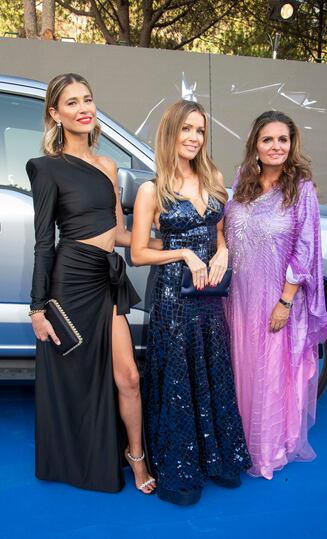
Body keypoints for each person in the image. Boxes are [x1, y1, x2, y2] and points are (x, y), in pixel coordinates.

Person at [26, 73, 157, 494]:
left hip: (107, 276)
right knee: (76, 375)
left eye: (88, 99)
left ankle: (134, 456)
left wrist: (166, 241)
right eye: (72, 103)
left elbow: (118, 233)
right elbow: (44, 242)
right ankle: (79, 457)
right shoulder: (45, 168)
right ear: (55, 114)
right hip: (70, 281)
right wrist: (37, 308)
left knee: (129, 377)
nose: (84, 108)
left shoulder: (108, 165)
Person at [131, 100, 251, 506]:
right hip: (173, 295)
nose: (194, 138)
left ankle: (216, 458)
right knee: (179, 377)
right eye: (186, 129)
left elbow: (219, 231)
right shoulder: (153, 189)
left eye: (199, 130)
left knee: (212, 367)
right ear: (171, 133)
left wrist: (222, 251)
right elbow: (138, 253)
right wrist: (181, 253)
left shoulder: (213, 176)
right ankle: (179, 468)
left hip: (211, 293)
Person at [224, 110, 327, 480]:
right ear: (255, 143)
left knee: (269, 373)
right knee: (241, 369)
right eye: (268, 139)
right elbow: (227, 230)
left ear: (292, 144)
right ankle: (235, 445)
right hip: (237, 298)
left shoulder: (301, 190)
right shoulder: (242, 182)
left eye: (282, 139)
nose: (276, 146)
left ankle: (265, 451)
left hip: (275, 300)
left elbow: (304, 249)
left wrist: (285, 301)